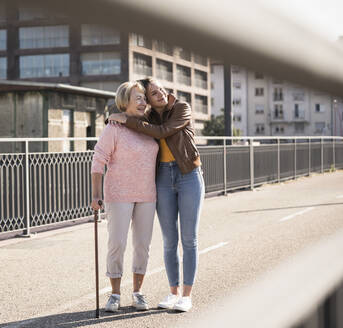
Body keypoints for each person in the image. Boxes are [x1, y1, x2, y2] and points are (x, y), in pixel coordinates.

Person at [108, 77, 205, 312]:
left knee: (189, 239)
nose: (160, 93)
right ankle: (174, 293)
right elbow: (123, 111)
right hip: (162, 176)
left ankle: (187, 296)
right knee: (169, 241)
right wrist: (118, 115)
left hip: (188, 174)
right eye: (153, 93)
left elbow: (163, 132)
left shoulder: (181, 107)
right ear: (149, 100)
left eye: (161, 89)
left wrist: (128, 120)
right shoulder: (148, 116)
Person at [91, 81, 159, 312]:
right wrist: (95, 194)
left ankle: (138, 293)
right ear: (124, 102)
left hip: (147, 193)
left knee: (142, 245)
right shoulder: (114, 128)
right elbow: (98, 159)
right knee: (117, 244)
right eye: (137, 98)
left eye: (144, 98)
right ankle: (115, 294)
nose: (143, 102)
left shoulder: (150, 126)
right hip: (118, 193)